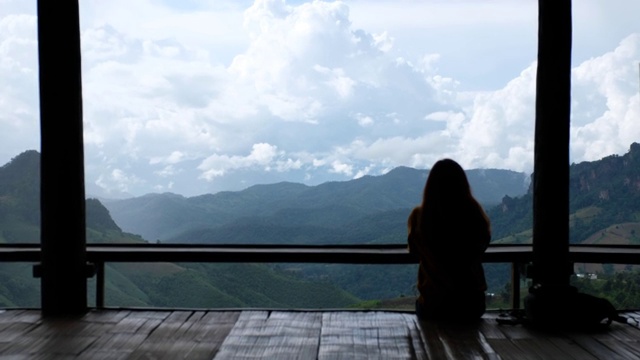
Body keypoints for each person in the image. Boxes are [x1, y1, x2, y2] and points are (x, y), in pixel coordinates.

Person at [408, 158, 491, 322]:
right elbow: (483, 244)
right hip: (472, 306)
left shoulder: (419, 216)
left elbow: (414, 251)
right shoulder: (474, 213)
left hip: (434, 306)